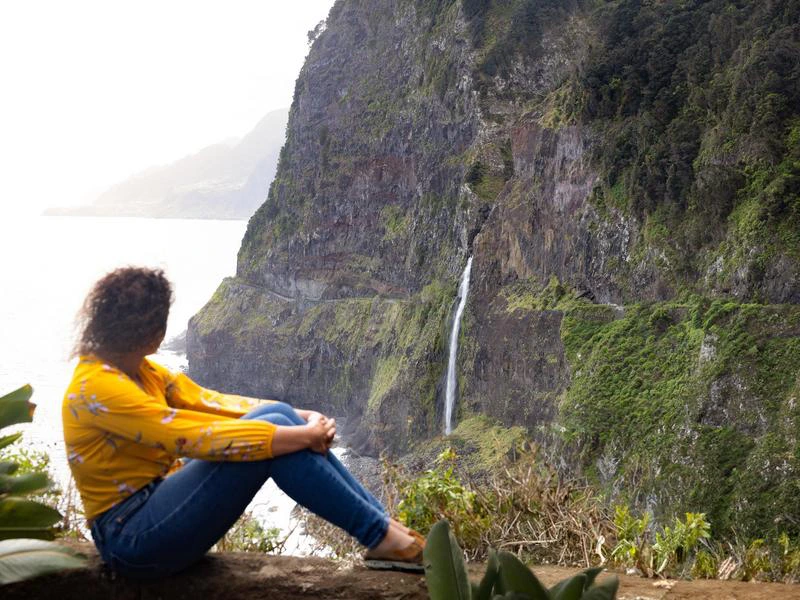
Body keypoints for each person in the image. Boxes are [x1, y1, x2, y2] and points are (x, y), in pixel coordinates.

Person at [62, 266, 424, 579]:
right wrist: (301, 436)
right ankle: (381, 535)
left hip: (156, 506)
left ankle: (384, 530)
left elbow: (212, 402)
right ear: (150, 330)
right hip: (132, 536)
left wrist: (301, 417)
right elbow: (188, 435)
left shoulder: (139, 371)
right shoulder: (97, 388)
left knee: (277, 417)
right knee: (277, 445)